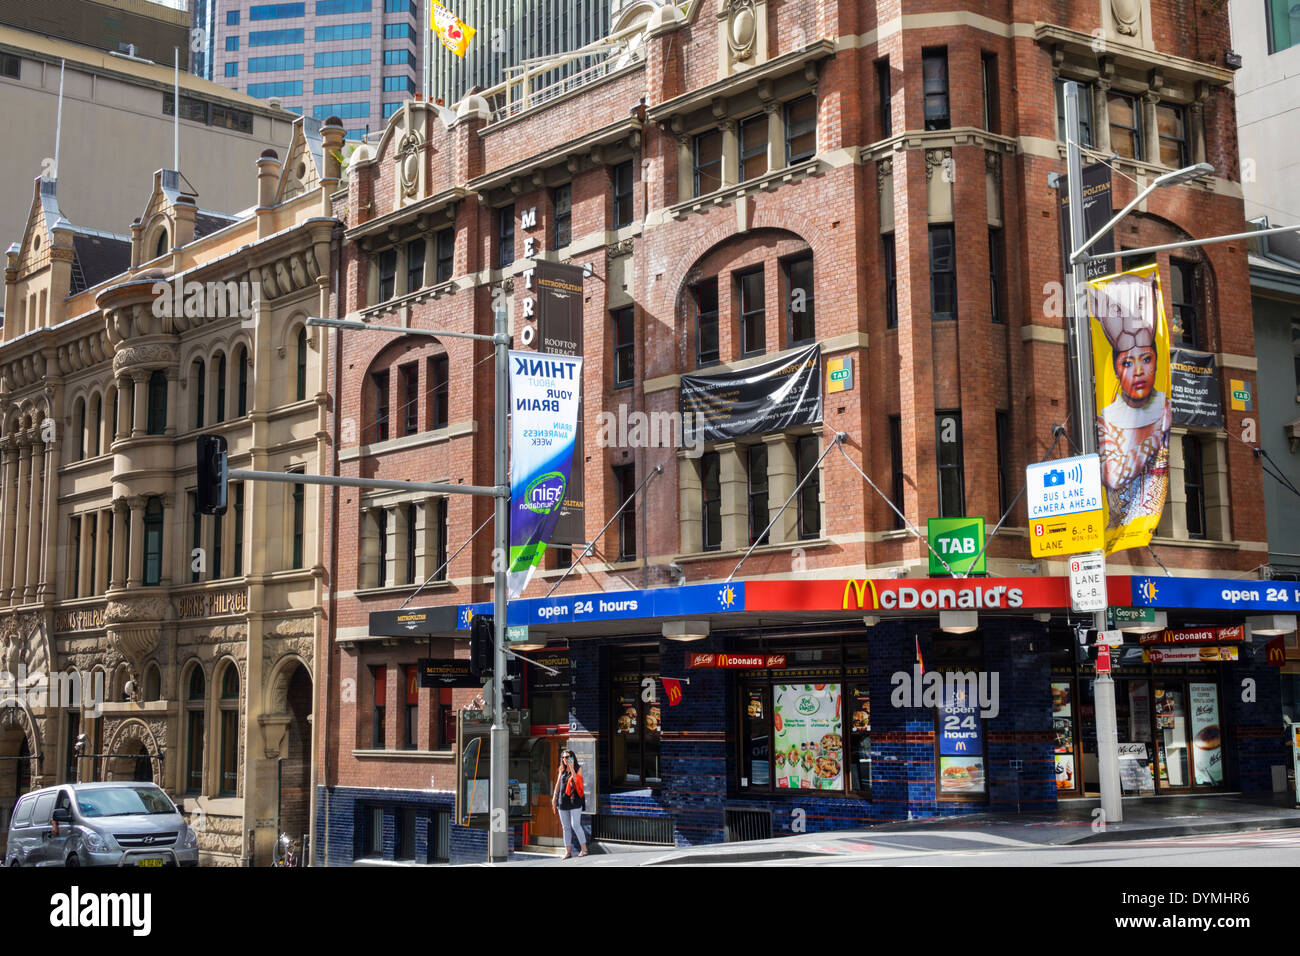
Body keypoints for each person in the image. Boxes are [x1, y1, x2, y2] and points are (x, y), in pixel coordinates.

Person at [1091, 274, 1171, 531]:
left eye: (1146, 359)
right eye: (1127, 362)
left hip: (1148, 520)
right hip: (1119, 526)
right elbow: (1114, 475)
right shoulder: (1106, 419)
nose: (1138, 371)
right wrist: (1153, 439)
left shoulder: (1165, 407)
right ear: (1116, 371)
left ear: (1156, 363)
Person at [551, 749, 587, 859]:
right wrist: (554, 797)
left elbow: (577, 781)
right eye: (563, 757)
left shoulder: (578, 768)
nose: (564, 759)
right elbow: (558, 784)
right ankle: (568, 852)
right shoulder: (561, 769)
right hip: (563, 801)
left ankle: (584, 849)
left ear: (572, 758)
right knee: (565, 827)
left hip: (575, 801)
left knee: (575, 825)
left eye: (567, 757)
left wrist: (571, 768)